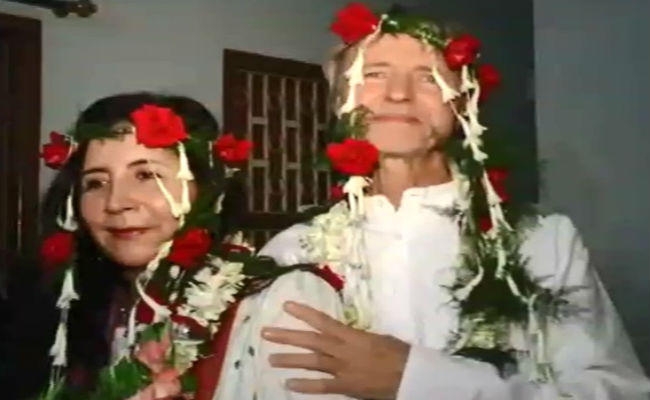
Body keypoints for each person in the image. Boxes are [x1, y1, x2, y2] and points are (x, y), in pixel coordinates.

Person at [257, 3, 650, 399]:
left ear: (463, 101)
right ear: (339, 98)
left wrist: (421, 380)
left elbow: (619, 391)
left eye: (428, 77)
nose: (398, 94)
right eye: (373, 74)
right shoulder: (292, 252)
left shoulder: (543, 242)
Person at [3, 92, 346, 400]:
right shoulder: (65, 308)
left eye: (146, 175)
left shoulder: (283, 302)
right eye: (96, 183)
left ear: (206, 188)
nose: (116, 202)